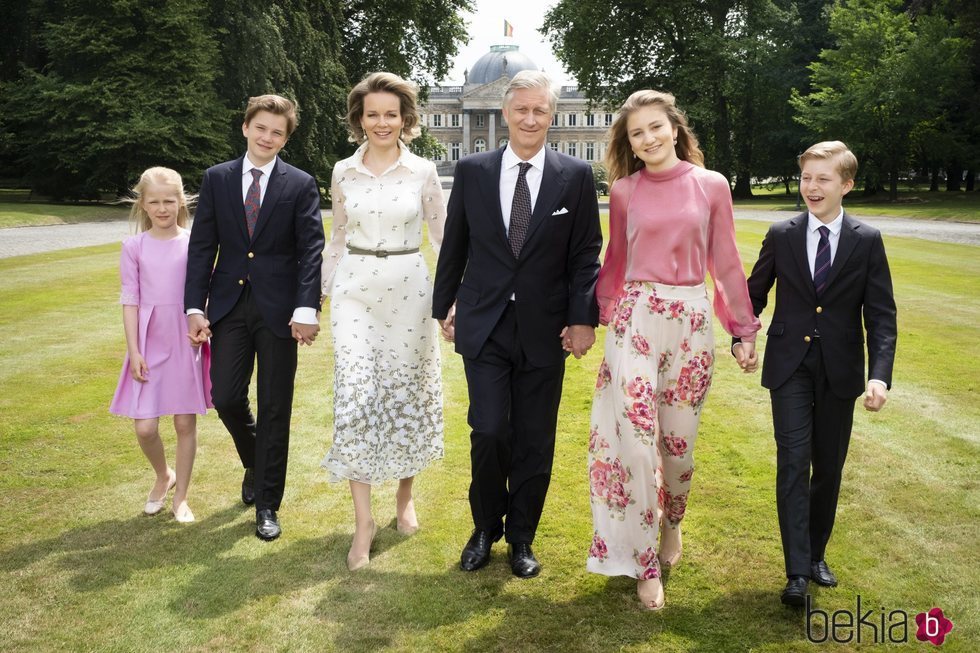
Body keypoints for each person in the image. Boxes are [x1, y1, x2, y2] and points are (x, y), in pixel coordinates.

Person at [586, 90, 761, 610]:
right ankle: (643, 564)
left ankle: (672, 524)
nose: (648, 138)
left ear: (675, 128)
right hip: (635, 321)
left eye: (656, 127)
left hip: (689, 324)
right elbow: (615, 261)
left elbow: (725, 261)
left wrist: (743, 328)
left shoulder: (711, 186)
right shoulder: (623, 191)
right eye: (637, 133)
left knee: (677, 450)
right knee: (636, 447)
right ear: (630, 143)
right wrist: (595, 318)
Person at [432, 70, 602, 579]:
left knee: (533, 437)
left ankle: (522, 536)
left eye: (540, 111)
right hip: (483, 321)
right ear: (505, 113)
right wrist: (444, 306)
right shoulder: (474, 170)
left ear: (552, 115)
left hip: (544, 328)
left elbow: (585, 255)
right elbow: (455, 244)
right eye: (522, 109)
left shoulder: (574, 175)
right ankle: (485, 527)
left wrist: (581, 319)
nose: (531, 119)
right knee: (487, 430)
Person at [733, 141, 897, 607]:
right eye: (806, 177)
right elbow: (753, 294)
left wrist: (879, 375)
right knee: (792, 462)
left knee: (827, 467)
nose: (812, 187)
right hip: (788, 366)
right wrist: (741, 337)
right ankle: (796, 573)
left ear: (846, 184)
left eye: (823, 179)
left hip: (841, 370)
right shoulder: (781, 233)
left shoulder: (867, 240)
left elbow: (881, 315)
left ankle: (816, 554)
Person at [320, 72, 447, 571]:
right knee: (355, 397)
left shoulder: (423, 172)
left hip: (409, 289)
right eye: (372, 114)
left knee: (406, 394)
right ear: (359, 119)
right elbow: (336, 237)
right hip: (355, 291)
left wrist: (453, 299)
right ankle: (363, 522)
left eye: (390, 114)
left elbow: (442, 238)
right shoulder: (342, 172)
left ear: (405, 119)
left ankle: (404, 497)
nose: (381, 122)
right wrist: (316, 298)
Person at [185, 94, 325, 541]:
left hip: (282, 313)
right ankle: (255, 460)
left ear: (286, 138)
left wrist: (306, 308)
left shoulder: (300, 183)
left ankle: (267, 503)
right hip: (228, 306)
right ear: (246, 127)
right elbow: (202, 246)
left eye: (277, 132)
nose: (268, 137)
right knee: (225, 397)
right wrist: (194, 307)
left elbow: (311, 251)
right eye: (261, 127)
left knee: (274, 407)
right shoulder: (217, 178)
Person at [110, 167, 211, 523]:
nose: (163, 208)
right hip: (149, 341)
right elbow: (130, 300)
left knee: (185, 424)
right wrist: (134, 350)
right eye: (154, 201)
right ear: (143, 204)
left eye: (169, 200)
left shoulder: (195, 242)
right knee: (146, 427)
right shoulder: (133, 247)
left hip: (185, 339)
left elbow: (204, 290)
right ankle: (163, 475)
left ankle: (180, 497)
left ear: (182, 201)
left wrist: (202, 324)